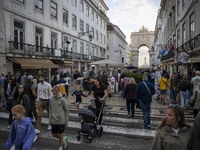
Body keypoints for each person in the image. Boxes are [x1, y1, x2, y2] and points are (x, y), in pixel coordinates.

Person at [49, 86, 69, 150]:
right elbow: (50, 110)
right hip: (53, 120)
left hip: (61, 120)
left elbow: (66, 110)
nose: (53, 92)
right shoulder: (51, 99)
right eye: (52, 91)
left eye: (55, 91)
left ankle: (60, 146)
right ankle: (63, 140)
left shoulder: (62, 99)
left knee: (61, 134)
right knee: (54, 134)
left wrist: (66, 121)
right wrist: (50, 119)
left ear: (58, 91)